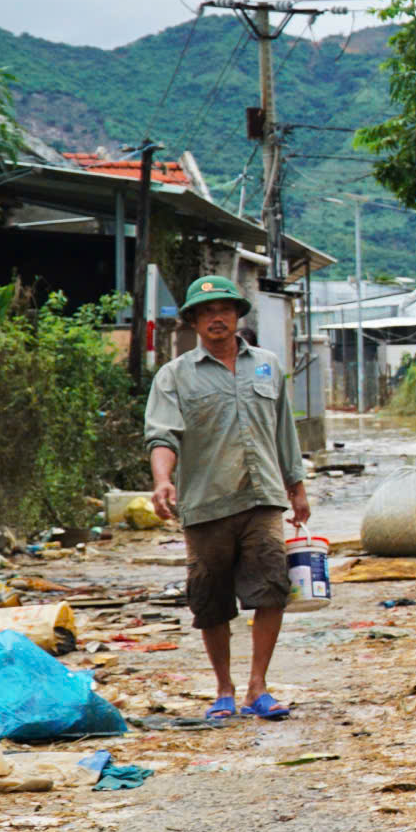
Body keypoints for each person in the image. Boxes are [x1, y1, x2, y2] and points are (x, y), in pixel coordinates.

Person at [145, 275, 310, 722]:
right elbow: (162, 435)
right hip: (205, 503)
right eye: (206, 311)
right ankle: (224, 689)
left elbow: (284, 431)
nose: (216, 317)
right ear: (193, 321)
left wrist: (297, 487)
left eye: (224, 309)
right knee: (211, 600)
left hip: (263, 497)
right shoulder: (174, 376)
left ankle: (258, 686)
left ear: (237, 315)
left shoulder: (268, 366)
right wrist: (163, 480)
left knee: (272, 589)